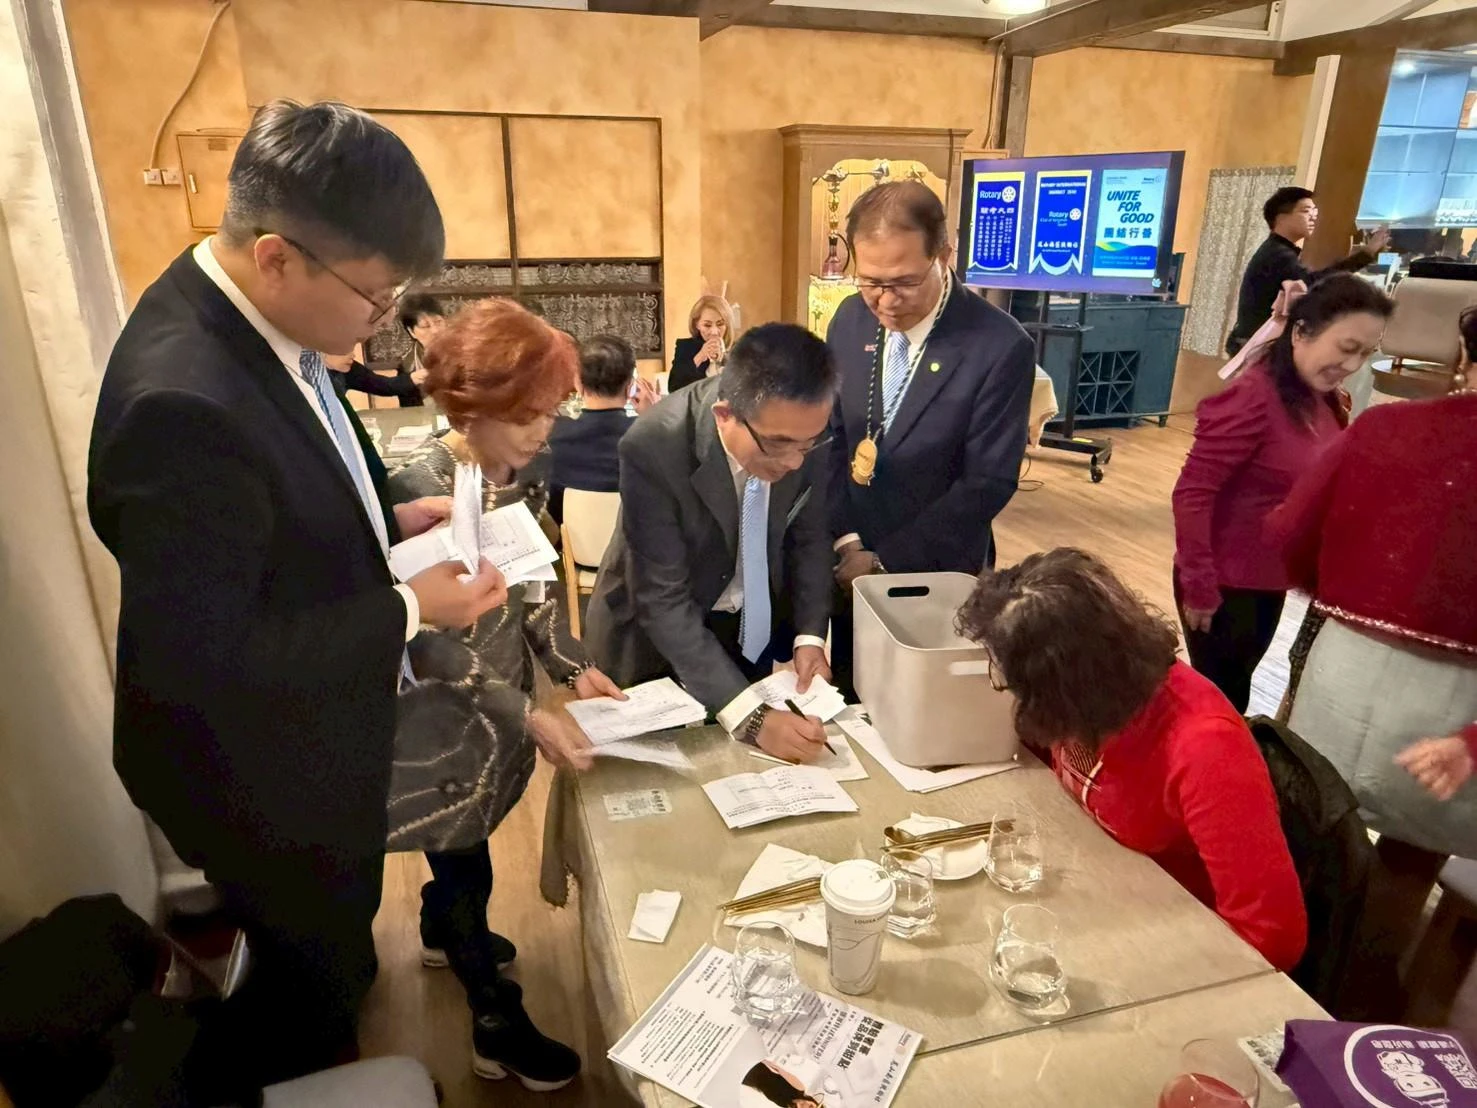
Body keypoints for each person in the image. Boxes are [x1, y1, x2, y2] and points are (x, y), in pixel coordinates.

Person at [86, 100, 509, 1098]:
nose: (383, 318)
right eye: (374, 295)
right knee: (306, 985)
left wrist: (384, 515)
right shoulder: (182, 405)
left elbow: (278, 491)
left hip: (302, 740)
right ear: (277, 257)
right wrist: (410, 609)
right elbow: (208, 661)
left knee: (336, 949)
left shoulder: (251, 320)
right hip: (257, 774)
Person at [389, 297, 624, 1091]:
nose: (541, 430)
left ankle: (439, 929)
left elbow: (534, 585)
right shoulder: (419, 484)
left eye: (549, 410)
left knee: (467, 857)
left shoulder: (523, 471)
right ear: (469, 405)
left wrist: (572, 667)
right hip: (441, 719)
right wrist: (527, 714)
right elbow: (423, 639)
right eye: (524, 414)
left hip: (500, 707)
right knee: (467, 865)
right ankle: (493, 1024)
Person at [955, 548, 1308, 972]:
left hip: (1169, 941)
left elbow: (1273, 937)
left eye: (1016, 684)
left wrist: (1135, 958)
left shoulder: (1205, 749)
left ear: (1066, 687)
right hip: (1095, 895)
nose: (1010, 693)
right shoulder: (1087, 707)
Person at [1266, 307, 1477, 999]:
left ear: (1462, 357)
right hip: (1457, 703)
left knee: (1317, 820)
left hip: (1345, 667)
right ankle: (1361, 999)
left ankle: (1279, 972)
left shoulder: (1383, 428)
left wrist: (1346, 590)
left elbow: (1291, 533)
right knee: (1412, 856)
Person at [584, 323, 836, 764]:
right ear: (724, 414)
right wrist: (753, 718)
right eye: (777, 445)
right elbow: (662, 598)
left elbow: (810, 536)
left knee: (743, 770)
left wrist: (810, 636)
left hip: (744, 627)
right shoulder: (655, 444)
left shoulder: (803, 427)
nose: (795, 462)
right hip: (653, 641)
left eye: (807, 445)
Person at [825, 180, 1035, 699]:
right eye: (870, 281)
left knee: (927, 706)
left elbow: (987, 481)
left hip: (938, 568)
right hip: (850, 562)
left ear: (944, 254)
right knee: (856, 695)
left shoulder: (997, 344)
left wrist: (886, 561)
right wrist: (849, 543)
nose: (885, 300)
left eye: (904, 282)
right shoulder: (850, 320)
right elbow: (832, 440)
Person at [1171, 274, 1393, 713]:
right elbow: (1192, 493)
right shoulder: (1252, 398)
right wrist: (1199, 583)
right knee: (1220, 703)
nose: (1353, 364)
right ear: (1300, 332)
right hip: (1226, 582)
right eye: (1346, 348)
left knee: (1233, 695)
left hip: (1268, 577)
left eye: (1366, 353)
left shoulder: (1318, 397)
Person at [1225, 186, 1389, 355]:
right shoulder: (1278, 254)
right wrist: (1365, 255)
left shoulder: (1278, 250)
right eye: (1305, 211)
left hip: (1252, 341)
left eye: (1314, 212)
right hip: (1254, 346)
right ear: (1281, 218)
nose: (1313, 217)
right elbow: (1312, 285)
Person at [547, 334, 656, 523]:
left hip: (568, 539)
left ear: (578, 383)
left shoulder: (550, 437)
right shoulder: (652, 438)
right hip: (638, 538)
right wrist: (654, 418)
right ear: (630, 386)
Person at [375, 290, 447, 405]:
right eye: (425, 326)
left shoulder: (466, 353)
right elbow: (409, 409)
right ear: (412, 332)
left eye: (438, 322)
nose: (435, 330)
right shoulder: (407, 368)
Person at [668, 293, 734, 392]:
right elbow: (674, 389)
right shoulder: (685, 347)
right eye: (707, 325)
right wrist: (700, 356)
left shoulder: (739, 350)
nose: (714, 331)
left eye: (720, 324)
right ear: (697, 324)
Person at [324, 346, 422, 406]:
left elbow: (383, 385)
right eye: (345, 351)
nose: (353, 355)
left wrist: (415, 378)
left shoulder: (349, 369)